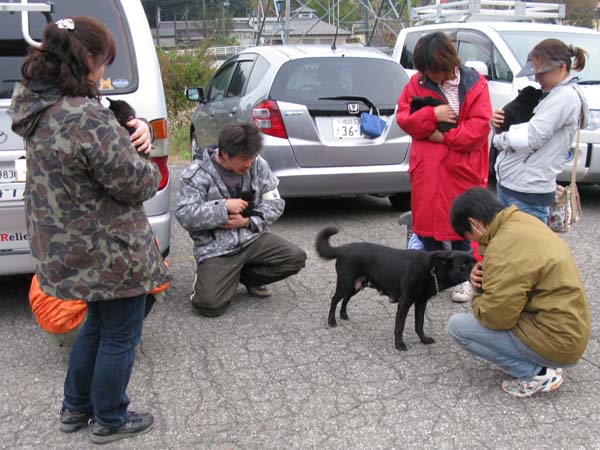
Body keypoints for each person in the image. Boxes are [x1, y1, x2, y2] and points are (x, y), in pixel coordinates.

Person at [9, 16, 171, 444]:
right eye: (102, 63)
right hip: (109, 248)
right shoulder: (85, 118)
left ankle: (76, 408)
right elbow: (139, 183)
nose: (103, 73)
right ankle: (110, 418)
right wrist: (142, 149)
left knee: (98, 324)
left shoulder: (39, 108)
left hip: (71, 246)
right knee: (119, 334)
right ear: (85, 60)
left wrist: (129, 127)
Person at [447, 187, 590, 397]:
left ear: (475, 223)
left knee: (458, 327)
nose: (473, 242)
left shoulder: (503, 246)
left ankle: (537, 373)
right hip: (568, 329)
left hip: (558, 341)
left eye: (469, 236)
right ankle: (538, 359)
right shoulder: (521, 221)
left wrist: (477, 291)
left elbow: (497, 318)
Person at [395, 31, 492, 303]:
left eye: (434, 70)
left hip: (462, 168)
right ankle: (433, 278)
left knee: (465, 230)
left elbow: (478, 129)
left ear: (448, 63)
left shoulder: (475, 83)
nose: (430, 76)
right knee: (428, 230)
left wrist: (444, 137)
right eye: (425, 70)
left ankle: (468, 279)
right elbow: (404, 119)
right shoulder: (416, 83)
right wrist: (432, 114)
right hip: (427, 169)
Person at [176, 122, 307, 317]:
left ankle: (247, 277)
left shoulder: (257, 164)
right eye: (243, 159)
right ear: (224, 154)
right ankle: (219, 278)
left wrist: (248, 222)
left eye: (252, 157)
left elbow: (276, 203)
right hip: (217, 249)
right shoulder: (196, 174)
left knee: (295, 258)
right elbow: (185, 214)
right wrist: (223, 208)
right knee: (208, 305)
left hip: (252, 238)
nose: (249, 163)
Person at [491, 39, 588, 224]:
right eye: (534, 72)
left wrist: (499, 139)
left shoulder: (565, 97)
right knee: (511, 241)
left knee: (524, 242)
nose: (536, 78)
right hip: (515, 185)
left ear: (561, 67)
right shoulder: (550, 95)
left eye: (541, 72)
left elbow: (531, 137)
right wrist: (497, 122)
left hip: (528, 192)